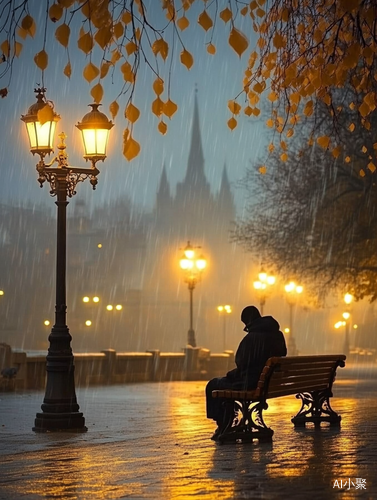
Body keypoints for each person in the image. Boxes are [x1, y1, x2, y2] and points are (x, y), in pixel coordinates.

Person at [205, 305, 287, 439]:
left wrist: (233, 374)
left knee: (213, 384)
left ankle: (224, 424)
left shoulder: (252, 337)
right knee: (222, 382)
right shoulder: (277, 335)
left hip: (251, 383)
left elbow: (241, 362)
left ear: (248, 321)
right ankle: (229, 421)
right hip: (268, 382)